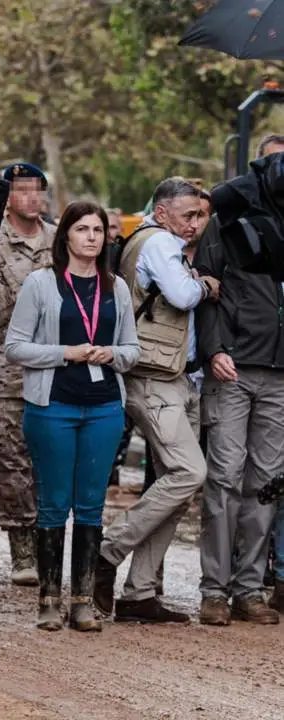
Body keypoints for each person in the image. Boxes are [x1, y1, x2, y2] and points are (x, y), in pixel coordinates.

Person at [5, 201, 140, 632]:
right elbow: (15, 346)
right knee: (53, 503)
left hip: (104, 407)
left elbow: (133, 350)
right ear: (65, 236)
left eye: (98, 230)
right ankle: (48, 599)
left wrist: (112, 353)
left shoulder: (116, 286)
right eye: (82, 229)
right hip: (53, 406)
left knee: (91, 506)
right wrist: (66, 353)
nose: (91, 237)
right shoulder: (41, 284)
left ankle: (82, 601)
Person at [95, 178, 215, 624]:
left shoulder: (154, 242)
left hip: (176, 376)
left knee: (174, 488)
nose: (195, 226)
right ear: (162, 212)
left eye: (201, 216)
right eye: (189, 215)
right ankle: (107, 553)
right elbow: (184, 296)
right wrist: (204, 284)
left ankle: (139, 593)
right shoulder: (159, 243)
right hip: (154, 378)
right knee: (190, 472)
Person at [195, 148, 284, 626]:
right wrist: (214, 350)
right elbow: (207, 290)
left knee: (266, 485)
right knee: (225, 478)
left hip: (280, 374)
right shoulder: (231, 217)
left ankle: (250, 589)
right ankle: (214, 589)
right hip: (233, 367)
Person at [0, 162, 57, 587]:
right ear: (6, 196)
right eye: (22, 189)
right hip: (5, 368)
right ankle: (22, 548)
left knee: (51, 461)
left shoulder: (60, 241)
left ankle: (50, 544)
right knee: (13, 463)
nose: (31, 197)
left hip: (58, 367)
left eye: (37, 189)